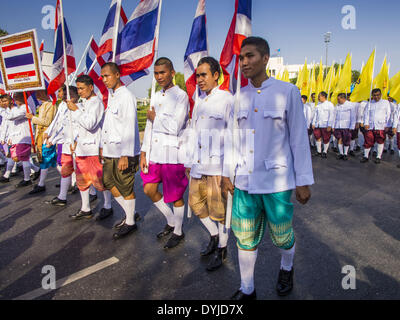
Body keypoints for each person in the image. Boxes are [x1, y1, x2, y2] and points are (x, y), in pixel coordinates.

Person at [222, 37, 313, 300]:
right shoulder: (239, 96)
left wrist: (303, 180)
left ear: (265, 59)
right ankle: (247, 288)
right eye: (241, 57)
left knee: (282, 237)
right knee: (245, 237)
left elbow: (298, 138)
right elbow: (232, 138)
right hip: (245, 182)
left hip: (277, 181)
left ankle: (287, 267)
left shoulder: (287, 92)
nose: (244, 62)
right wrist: (228, 174)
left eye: (250, 56)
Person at [186, 56, 234, 271]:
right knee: (196, 206)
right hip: (198, 165)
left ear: (216, 75)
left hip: (217, 167)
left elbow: (233, 136)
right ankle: (214, 236)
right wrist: (188, 161)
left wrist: (228, 173)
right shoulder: (199, 101)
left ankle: (222, 249)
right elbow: (193, 133)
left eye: (204, 75)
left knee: (220, 213)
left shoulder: (227, 99)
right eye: (197, 75)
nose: (200, 79)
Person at [140, 58, 189, 249]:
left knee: (175, 195)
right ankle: (171, 220)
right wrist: (144, 152)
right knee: (149, 189)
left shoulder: (181, 96)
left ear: (172, 73)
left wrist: (156, 117)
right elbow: (149, 127)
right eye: (156, 73)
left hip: (172, 153)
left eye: (163, 72)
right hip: (154, 152)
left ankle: (178, 231)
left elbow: (175, 126)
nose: (159, 76)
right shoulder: (155, 95)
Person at [100, 62, 141, 240]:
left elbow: (129, 126)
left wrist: (125, 153)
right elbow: (109, 124)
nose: (104, 80)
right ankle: (130, 212)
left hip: (123, 151)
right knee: (108, 182)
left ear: (117, 75)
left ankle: (131, 222)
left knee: (125, 186)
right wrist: (102, 145)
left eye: (107, 76)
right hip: (110, 150)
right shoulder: (112, 96)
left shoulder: (126, 96)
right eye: (102, 77)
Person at [65, 75, 113, 221]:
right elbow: (79, 127)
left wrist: (76, 110)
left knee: (100, 181)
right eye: (78, 88)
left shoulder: (96, 102)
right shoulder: (83, 103)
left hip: (93, 148)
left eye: (81, 88)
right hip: (81, 148)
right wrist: (75, 141)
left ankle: (107, 205)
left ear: (91, 87)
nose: (79, 91)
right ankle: (85, 208)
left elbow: (90, 123)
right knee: (82, 180)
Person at [44, 86, 79, 206]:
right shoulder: (63, 106)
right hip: (66, 144)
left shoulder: (81, 107)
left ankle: (94, 194)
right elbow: (60, 126)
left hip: (78, 146)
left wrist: (76, 142)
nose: (65, 97)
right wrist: (51, 138)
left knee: (84, 173)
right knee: (65, 170)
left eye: (68, 95)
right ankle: (62, 197)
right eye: (63, 95)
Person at [3, 92, 38, 188]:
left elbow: (10, 117)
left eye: (17, 97)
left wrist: (2, 109)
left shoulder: (25, 108)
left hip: (24, 137)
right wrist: (10, 137)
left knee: (23, 158)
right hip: (18, 137)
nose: (16, 100)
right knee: (17, 158)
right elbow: (13, 125)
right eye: (15, 98)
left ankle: (27, 179)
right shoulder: (18, 108)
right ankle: (36, 170)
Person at [27, 89, 58, 194]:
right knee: (55, 162)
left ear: (46, 94)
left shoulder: (50, 105)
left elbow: (47, 122)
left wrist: (33, 118)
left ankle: (41, 184)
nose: (37, 95)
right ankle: (70, 180)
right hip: (41, 137)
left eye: (39, 92)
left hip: (47, 136)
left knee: (44, 160)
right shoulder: (41, 106)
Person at [360, 89, 391, 164]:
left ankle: (378, 157)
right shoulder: (370, 103)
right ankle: (365, 156)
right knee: (368, 140)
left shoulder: (385, 103)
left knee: (380, 141)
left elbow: (389, 114)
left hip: (380, 125)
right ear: (372, 95)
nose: (376, 97)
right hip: (370, 126)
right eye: (374, 95)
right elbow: (366, 114)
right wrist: (366, 123)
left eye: (377, 95)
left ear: (380, 95)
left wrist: (388, 125)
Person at [312, 91, 335, 158]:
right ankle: (319, 151)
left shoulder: (330, 104)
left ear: (323, 96)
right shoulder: (318, 105)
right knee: (317, 137)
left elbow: (331, 115)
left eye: (319, 96)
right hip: (318, 124)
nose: (318, 98)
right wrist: (313, 123)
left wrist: (330, 125)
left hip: (325, 124)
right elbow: (315, 115)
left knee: (326, 138)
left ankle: (324, 151)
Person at [333, 93, 356, 160]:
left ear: (343, 98)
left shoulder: (350, 105)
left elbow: (353, 116)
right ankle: (341, 153)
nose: (338, 101)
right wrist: (333, 125)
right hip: (338, 125)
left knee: (346, 140)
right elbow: (334, 116)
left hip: (346, 126)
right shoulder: (337, 105)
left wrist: (352, 126)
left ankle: (345, 153)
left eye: (339, 99)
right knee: (339, 139)